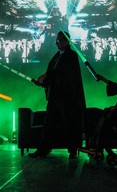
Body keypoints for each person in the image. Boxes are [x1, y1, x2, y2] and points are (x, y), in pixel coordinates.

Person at [28, 31, 86, 159]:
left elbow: (62, 73)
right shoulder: (57, 56)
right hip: (55, 96)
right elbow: (53, 74)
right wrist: (43, 83)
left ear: (66, 41)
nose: (57, 43)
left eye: (59, 40)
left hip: (67, 97)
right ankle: (43, 149)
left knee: (69, 123)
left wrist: (46, 76)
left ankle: (72, 150)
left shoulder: (71, 55)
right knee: (49, 124)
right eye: (57, 40)